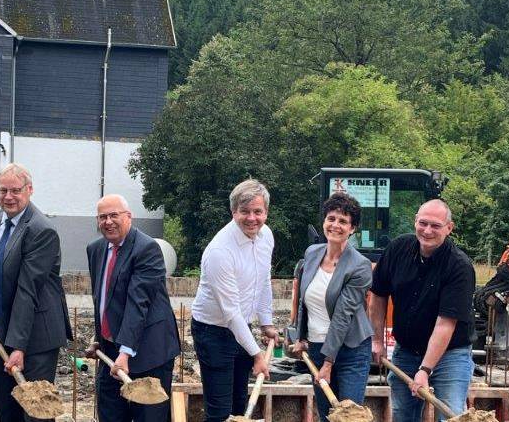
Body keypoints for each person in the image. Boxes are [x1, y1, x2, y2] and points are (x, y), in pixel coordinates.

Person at [0, 163, 72, 422]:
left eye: (15, 190)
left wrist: (18, 346)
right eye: (3, 190)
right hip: (1, 332)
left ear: (29, 190)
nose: (8, 197)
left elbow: (28, 290)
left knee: (35, 414)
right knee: (6, 412)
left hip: (35, 338)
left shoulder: (41, 230)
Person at [369, 199, 476, 422]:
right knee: (402, 415)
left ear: (449, 228)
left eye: (435, 226)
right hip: (406, 351)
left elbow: (445, 324)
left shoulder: (459, 266)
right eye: (423, 223)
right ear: (415, 221)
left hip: (451, 355)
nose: (427, 231)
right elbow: (378, 295)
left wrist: (425, 370)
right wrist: (377, 340)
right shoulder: (398, 249)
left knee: (451, 415)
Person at [84, 195, 181, 422]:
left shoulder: (147, 249)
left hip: (149, 353)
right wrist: (102, 336)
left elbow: (138, 303)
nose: (108, 221)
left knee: (149, 417)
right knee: (110, 415)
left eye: (114, 215)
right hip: (111, 351)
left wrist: (125, 352)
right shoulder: (95, 249)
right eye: (102, 217)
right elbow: (104, 299)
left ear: (129, 217)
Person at [191, 179, 279, 422]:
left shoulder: (266, 236)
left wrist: (266, 323)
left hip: (242, 328)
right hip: (213, 331)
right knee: (219, 411)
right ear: (233, 212)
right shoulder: (220, 250)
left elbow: (263, 280)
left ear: (266, 212)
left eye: (257, 212)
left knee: (239, 405)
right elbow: (230, 312)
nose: (252, 218)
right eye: (245, 212)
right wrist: (258, 355)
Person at [289, 193, 373, 422]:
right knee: (326, 413)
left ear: (353, 228)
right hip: (317, 346)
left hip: (350, 350)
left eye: (343, 221)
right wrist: (300, 336)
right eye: (331, 218)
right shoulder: (312, 253)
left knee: (348, 414)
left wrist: (328, 362)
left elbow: (342, 317)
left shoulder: (360, 267)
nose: (335, 225)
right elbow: (303, 300)